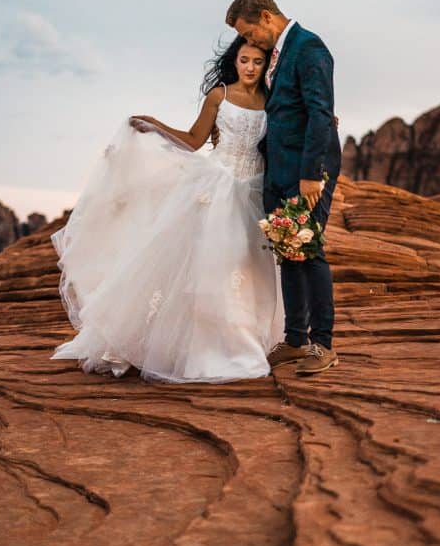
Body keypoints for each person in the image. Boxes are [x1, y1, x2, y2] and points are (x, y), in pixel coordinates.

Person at [50, 36, 284, 382]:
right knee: (211, 266)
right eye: (244, 60)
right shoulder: (218, 95)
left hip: (253, 190)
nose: (250, 68)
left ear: (266, 66)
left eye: (257, 62)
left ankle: (242, 341)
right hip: (216, 188)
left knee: (247, 267)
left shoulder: (271, 100)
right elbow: (193, 140)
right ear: (235, 61)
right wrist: (155, 126)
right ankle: (202, 348)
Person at [226, 0, 342, 376]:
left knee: (309, 253)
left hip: (306, 173)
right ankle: (294, 340)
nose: (248, 42)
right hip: (278, 169)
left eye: (248, 33)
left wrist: (312, 175)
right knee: (288, 254)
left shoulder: (309, 48)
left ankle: (322, 345)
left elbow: (320, 111)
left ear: (265, 16)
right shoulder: (278, 54)